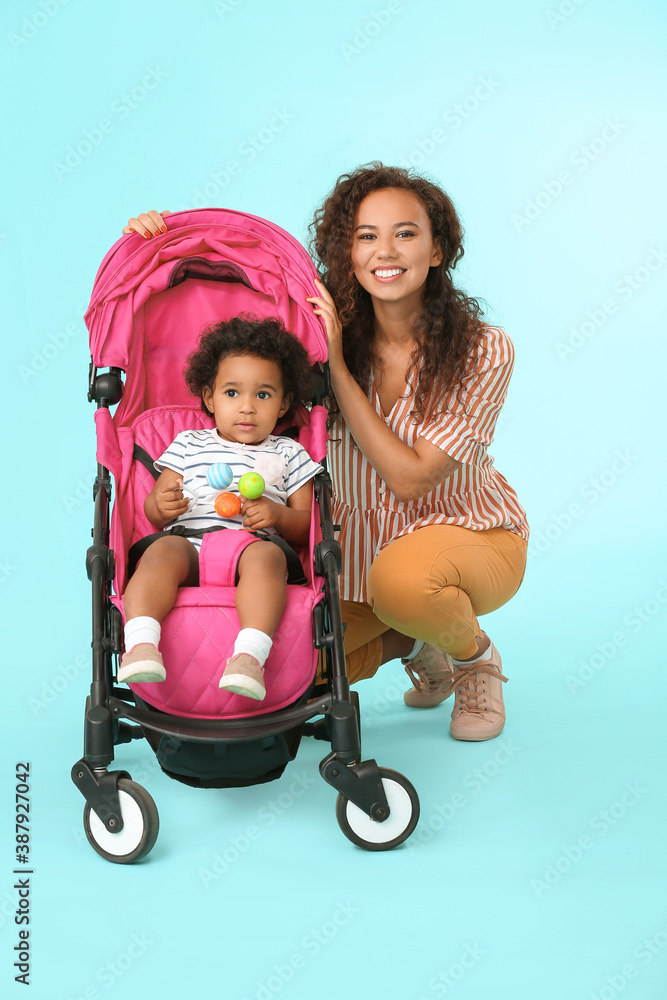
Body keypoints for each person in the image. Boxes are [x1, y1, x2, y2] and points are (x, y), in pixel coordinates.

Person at [121, 167, 529, 740]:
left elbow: (411, 480)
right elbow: (237, 301)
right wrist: (159, 241)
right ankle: (416, 638)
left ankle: (474, 658)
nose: (385, 251)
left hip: (464, 532)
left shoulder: (483, 350)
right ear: (347, 251)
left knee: (404, 584)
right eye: (366, 236)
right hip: (357, 555)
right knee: (296, 672)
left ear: (438, 249)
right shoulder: (311, 335)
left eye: (405, 234)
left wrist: (337, 370)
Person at [118, 316, 322, 701]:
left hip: (252, 545)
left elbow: (307, 525)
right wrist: (161, 505)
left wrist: (277, 516)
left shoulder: (289, 452)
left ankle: (248, 657)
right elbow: (155, 510)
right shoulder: (188, 442)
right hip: (189, 542)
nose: (246, 408)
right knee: (160, 549)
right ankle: (142, 643)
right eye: (232, 393)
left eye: (263, 395)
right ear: (210, 398)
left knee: (267, 559)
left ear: (284, 405)